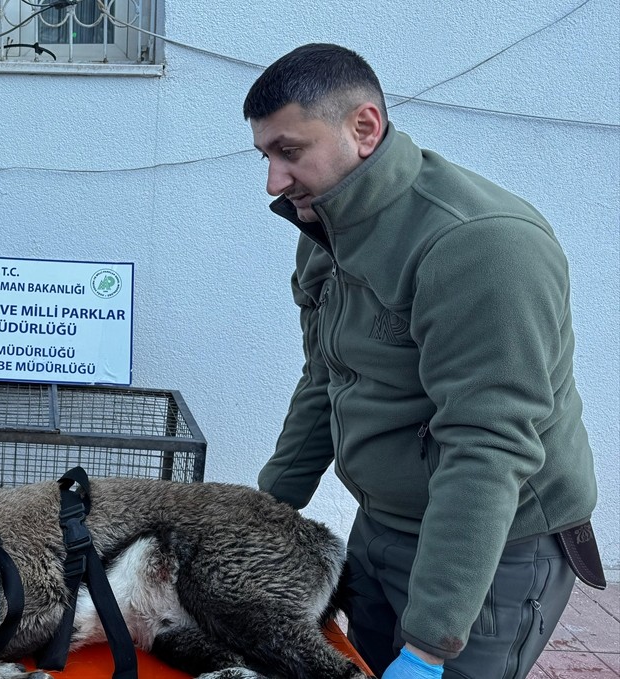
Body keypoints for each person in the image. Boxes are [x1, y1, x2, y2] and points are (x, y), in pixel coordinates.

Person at [244, 43, 604, 679]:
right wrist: (262, 513)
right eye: (266, 156)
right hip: (380, 527)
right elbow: (325, 381)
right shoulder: (328, 228)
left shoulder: (480, 244)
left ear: (364, 128)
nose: (274, 180)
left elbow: (487, 446)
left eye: (290, 152)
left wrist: (433, 642)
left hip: (490, 550)